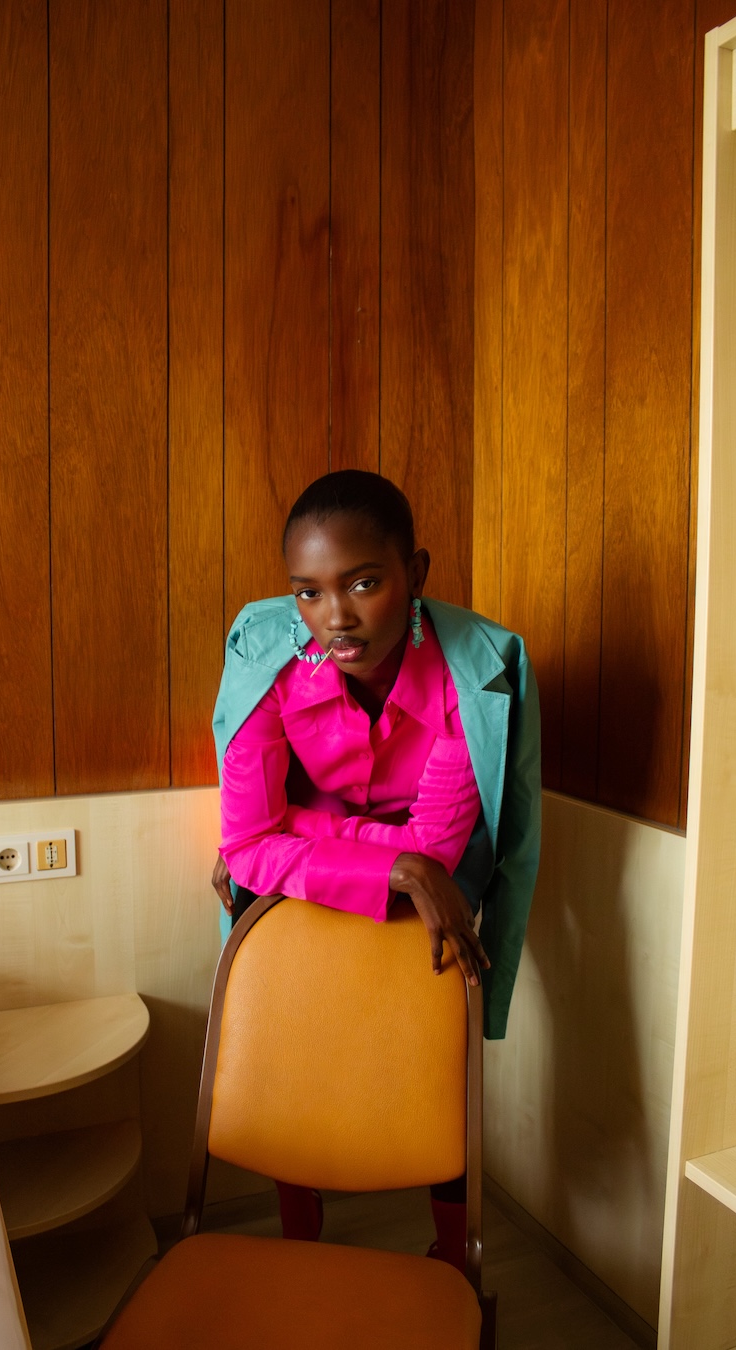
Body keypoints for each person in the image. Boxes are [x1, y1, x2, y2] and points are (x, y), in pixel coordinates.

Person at [211, 470, 541, 1270]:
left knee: (436, 1041)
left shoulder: (476, 673)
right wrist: (387, 864)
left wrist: (305, 830)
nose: (335, 617)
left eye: (363, 583)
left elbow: (435, 850)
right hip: (317, 876)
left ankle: (455, 1254)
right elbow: (246, 846)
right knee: (289, 1037)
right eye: (309, 592)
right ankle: (300, 1231)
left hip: (429, 873)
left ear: (414, 572)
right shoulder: (265, 655)